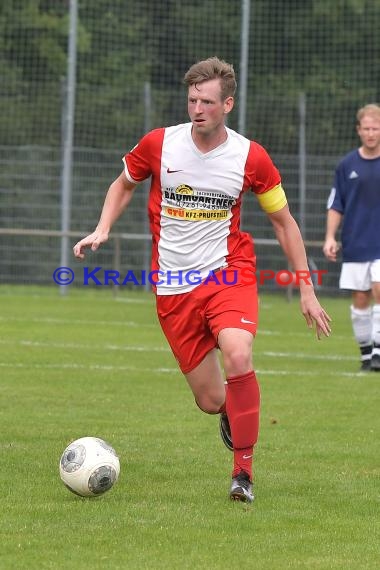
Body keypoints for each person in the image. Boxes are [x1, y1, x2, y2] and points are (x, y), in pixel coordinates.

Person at [73, 57, 331, 503]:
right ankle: (232, 412)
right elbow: (123, 184)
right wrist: (103, 227)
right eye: (192, 99)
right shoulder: (160, 143)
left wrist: (306, 287)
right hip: (174, 288)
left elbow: (284, 223)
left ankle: (242, 476)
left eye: (207, 101)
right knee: (212, 400)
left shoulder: (251, 156)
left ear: (227, 104)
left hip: (228, 273)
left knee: (237, 352)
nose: (197, 108)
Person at [323, 103, 380, 372]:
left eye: (375, 128)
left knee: (379, 288)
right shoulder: (347, 165)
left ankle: (379, 351)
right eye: (366, 128)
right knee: (360, 299)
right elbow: (337, 204)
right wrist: (330, 237)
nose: (371, 133)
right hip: (356, 241)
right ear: (359, 130)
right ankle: (367, 355)